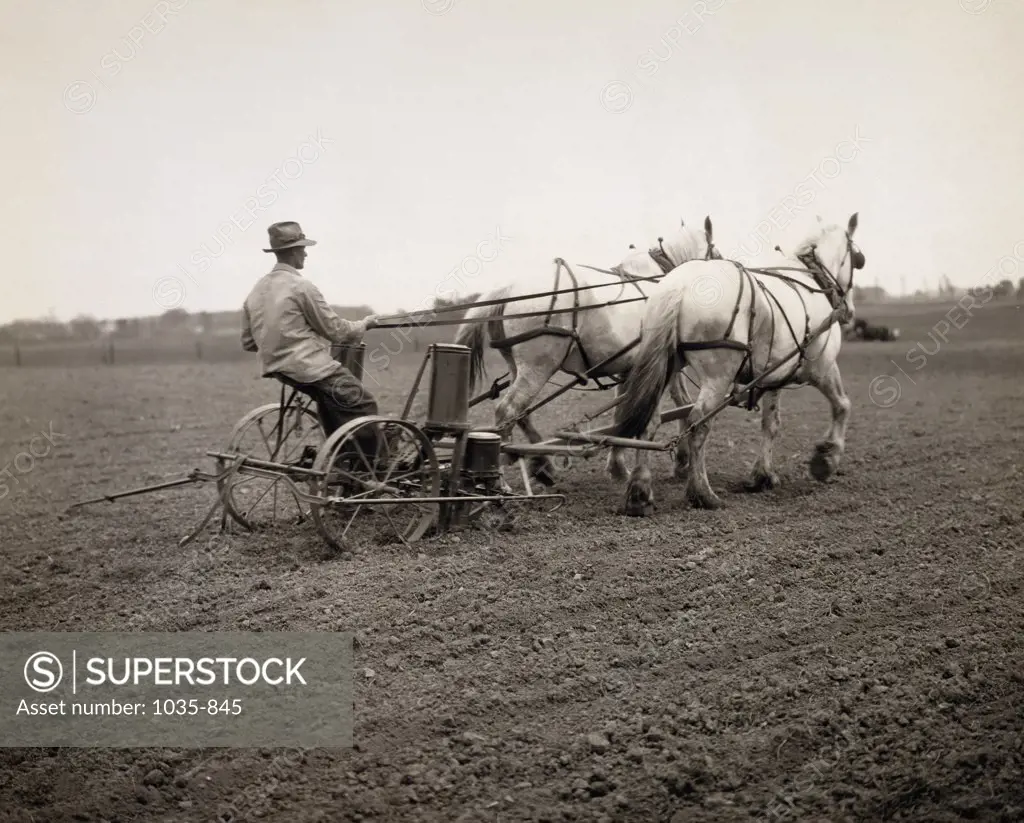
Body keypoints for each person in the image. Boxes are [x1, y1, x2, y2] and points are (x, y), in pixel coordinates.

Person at [241, 221, 381, 444]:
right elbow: (336, 331)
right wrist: (364, 324)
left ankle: (343, 456)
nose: (306, 254)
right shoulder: (301, 287)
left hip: (276, 368)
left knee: (331, 402)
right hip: (307, 366)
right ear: (294, 251)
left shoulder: (256, 290)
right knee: (362, 402)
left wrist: (279, 340)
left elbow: (248, 342)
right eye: (303, 249)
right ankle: (374, 466)